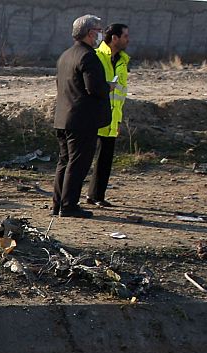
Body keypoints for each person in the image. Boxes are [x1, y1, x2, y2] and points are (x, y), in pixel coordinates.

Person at [51, 14, 110, 218]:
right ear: (90, 32)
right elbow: (94, 88)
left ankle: (57, 204)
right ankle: (69, 206)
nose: (101, 34)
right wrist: (108, 86)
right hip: (82, 120)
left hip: (63, 117)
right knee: (78, 164)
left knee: (65, 162)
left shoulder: (65, 55)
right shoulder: (88, 56)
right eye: (99, 30)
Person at [87, 24, 131, 209]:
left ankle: (97, 196)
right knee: (84, 158)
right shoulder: (96, 56)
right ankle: (68, 198)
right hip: (94, 117)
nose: (128, 40)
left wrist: (118, 119)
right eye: (125, 36)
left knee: (105, 159)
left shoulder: (122, 61)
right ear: (114, 38)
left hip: (112, 117)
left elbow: (120, 93)